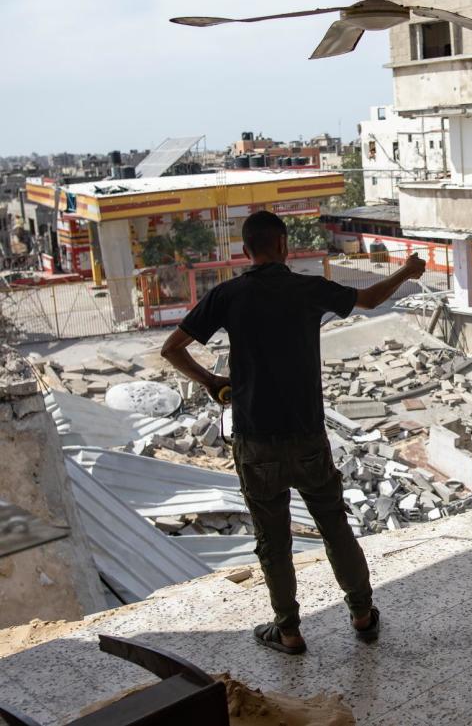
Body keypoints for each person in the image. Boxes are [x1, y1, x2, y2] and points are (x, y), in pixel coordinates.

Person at [160, 210, 426, 655]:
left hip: (255, 440)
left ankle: (288, 631)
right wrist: (408, 270)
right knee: (334, 525)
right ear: (284, 246)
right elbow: (371, 299)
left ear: (246, 251)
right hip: (306, 436)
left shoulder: (228, 295)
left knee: (274, 539)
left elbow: (172, 348)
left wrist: (211, 383)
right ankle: (362, 615)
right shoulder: (307, 289)